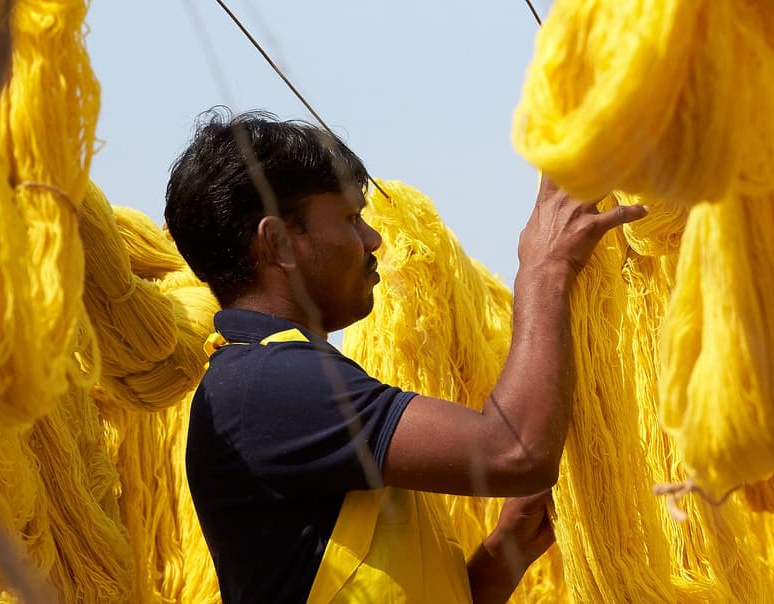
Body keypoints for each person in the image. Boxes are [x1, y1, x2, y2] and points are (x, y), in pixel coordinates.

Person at [165, 108, 645, 604]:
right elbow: (513, 452)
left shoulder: (273, 377)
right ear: (279, 242)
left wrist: (507, 551)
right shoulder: (269, 382)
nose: (372, 240)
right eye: (351, 219)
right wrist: (546, 266)